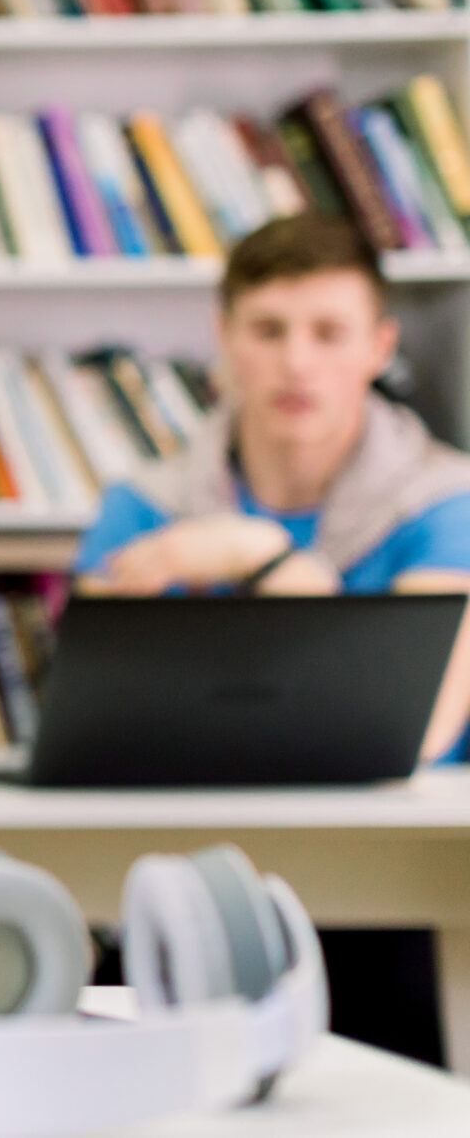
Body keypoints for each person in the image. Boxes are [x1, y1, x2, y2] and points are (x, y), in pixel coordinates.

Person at [73, 212, 470, 765]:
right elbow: (94, 723)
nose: (296, 364)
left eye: (329, 333)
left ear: (380, 348)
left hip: (390, 842)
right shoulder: (143, 505)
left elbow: (409, 731)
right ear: (224, 337)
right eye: (268, 330)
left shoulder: (450, 502)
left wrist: (259, 558)